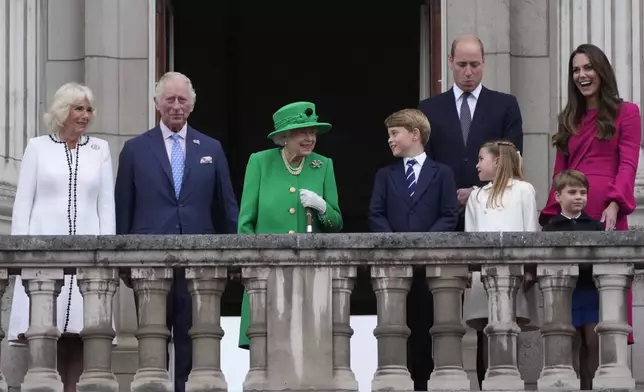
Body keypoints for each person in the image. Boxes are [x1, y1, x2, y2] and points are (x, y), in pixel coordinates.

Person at [115, 71, 239, 392]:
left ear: (192, 106)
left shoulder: (211, 148)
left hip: (199, 266)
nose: (175, 106)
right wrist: (123, 262)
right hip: (149, 264)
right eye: (169, 99)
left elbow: (226, 208)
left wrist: (233, 257)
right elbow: (123, 210)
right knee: (152, 345)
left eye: (182, 100)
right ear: (157, 104)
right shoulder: (135, 149)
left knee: (193, 343)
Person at [417, 34, 524, 388]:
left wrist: (477, 192)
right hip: (443, 219)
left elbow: (512, 159)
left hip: (493, 213)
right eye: (461, 64)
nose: (468, 72)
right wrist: (452, 195)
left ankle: (488, 380)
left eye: (474, 65)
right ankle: (433, 379)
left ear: (484, 63)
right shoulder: (429, 109)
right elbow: (423, 166)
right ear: (450, 62)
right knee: (437, 303)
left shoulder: (504, 105)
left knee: (488, 308)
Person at [10, 82, 115, 392]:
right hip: (43, 260)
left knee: (84, 338)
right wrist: (19, 258)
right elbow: (22, 206)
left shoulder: (100, 150)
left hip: (88, 260)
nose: (85, 115)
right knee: (44, 337)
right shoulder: (37, 147)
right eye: (78, 108)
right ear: (62, 111)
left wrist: (108, 257)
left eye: (88, 109)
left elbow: (106, 207)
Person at [539, 43, 640, 351]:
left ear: (601, 71)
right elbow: (560, 171)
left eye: (587, 68)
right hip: (570, 216)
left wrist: (614, 203)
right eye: (575, 70)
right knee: (571, 313)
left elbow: (628, 164)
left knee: (606, 308)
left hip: (607, 212)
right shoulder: (568, 118)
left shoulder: (628, 112)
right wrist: (553, 217)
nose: (581, 75)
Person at [237, 101, 342, 349]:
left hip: (310, 274)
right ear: (284, 136)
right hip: (267, 275)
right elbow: (246, 223)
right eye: (302, 132)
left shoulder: (323, 165)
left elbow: (336, 224)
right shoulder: (260, 163)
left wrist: (322, 207)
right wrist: (252, 268)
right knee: (268, 344)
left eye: (313, 132)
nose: (309, 138)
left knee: (310, 346)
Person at [368, 109, 458, 390]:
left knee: (430, 332)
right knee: (394, 334)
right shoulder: (385, 175)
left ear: (415, 134)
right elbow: (375, 213)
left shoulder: (442, 173)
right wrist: (396, 244)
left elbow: (449, 214)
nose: (390, 141)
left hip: (431, 269)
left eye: (395, 134)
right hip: (394, 270)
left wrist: (422, 244)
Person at [462, 140, 539, 382]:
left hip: (514, 273)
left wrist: (529, 270)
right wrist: (468, 269)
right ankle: (488, 383)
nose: (477, 165)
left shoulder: (524, 190)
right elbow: (470, 236)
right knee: (486, 330)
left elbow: (530, 231)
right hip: (482, 275)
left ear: (497, 161)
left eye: (481, 158)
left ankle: (509, 380)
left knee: (509, 328)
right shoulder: (477, 195)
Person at [542, 169, 603, 390]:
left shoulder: (595, 226)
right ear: (558, 196)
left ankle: (591, 386)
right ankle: (573, 385)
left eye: (583, 192)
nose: (579, 197)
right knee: (572, 343)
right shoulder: (550, 228)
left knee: (593, 342)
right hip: (566, 295)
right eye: (572, 192)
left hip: (589, 292)